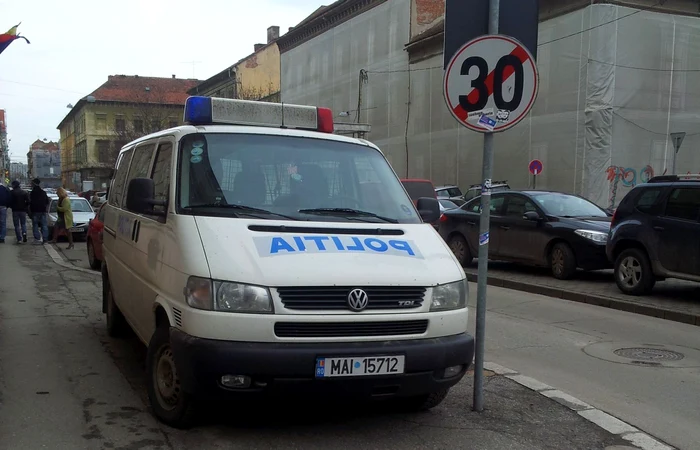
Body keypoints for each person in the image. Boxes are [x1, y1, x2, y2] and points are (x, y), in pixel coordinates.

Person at [29, 178, 50, 244]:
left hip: (35, 211)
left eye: (32, 183)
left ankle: (37, 239)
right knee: (44, 225)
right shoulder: (43, 192)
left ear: (34, 183)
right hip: (43, 211)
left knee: (35, 225)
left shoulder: (32, 193)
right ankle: (45, 239)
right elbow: (47, 201)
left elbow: (30, 202)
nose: (31, 184)